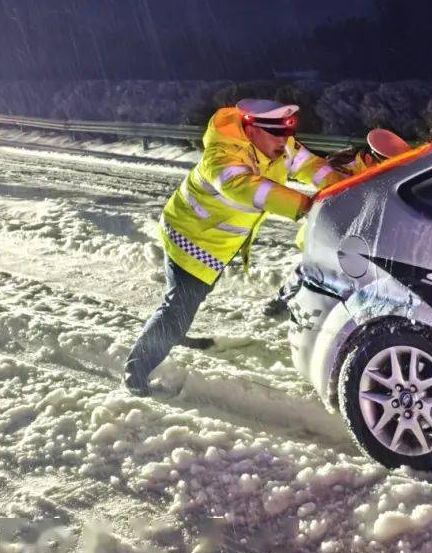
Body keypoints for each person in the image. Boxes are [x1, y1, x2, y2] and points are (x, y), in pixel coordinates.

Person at [124, 99, 345, 396]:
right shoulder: (223, 154)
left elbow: (312, 167)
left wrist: (344, 187)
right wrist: (307, 205)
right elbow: (244, 186)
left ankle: (174, 331)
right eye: (276, 134)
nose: (285, 141)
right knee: (178, 306)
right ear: (252, 130)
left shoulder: (282, 146)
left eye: (287, 134)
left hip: (218, 243)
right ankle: (136, 370)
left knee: (187, 301)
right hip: (191, 238)